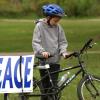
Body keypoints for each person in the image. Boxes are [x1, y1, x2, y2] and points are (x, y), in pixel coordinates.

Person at [32, 4, 69, 100]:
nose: (57, 22)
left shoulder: (58, 28)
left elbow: (62, 42)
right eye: (55, 20)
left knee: (53, 88)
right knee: (45, 88)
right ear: (48, 17)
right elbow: (36, 42)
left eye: (58, 20)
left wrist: (63, 52)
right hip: (44, 61)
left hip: (55, 61)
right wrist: (42, 51)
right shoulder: (39, 26)